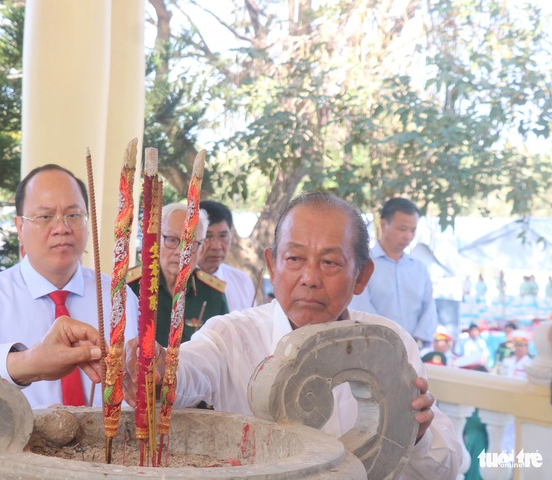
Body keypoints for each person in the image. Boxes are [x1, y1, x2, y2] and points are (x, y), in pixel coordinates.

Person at [125, 191, 462, 479]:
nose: (310, 278)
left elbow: (448, 467)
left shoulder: (390, 344)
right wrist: (161, 374)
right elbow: (189, 369)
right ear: (273, 265)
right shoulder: (232, 335)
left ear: (361, 276)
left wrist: (415, 433)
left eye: (330, 262)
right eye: (295, 258)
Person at [0, 164, 140, 410]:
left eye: (73, 215)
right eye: (45, 216)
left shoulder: (117, 297)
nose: (62, 228)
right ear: (19, 227)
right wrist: (25, 363)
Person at [127, 203, 228, 346]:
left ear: (202, 247)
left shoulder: (213, 295)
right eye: (172, 240)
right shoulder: (130, 287)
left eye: (190, 244)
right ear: (156, 240)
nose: (180, 252)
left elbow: (223, 352)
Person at [348, 197, 437, 346]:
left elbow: (429, 310)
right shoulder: (363, 264)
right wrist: (388, 342)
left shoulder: (420, 269)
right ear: (384, 225)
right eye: (402, 229)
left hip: (413, 350)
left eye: (413, 230)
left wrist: (415, 342)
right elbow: (360, 309)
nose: (408, 236)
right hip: (372, 346)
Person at [197, 200, 257, 312]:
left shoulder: (243, 283)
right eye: (207, 236)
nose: (216, 246)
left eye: (223, 236)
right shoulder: (177, 283)